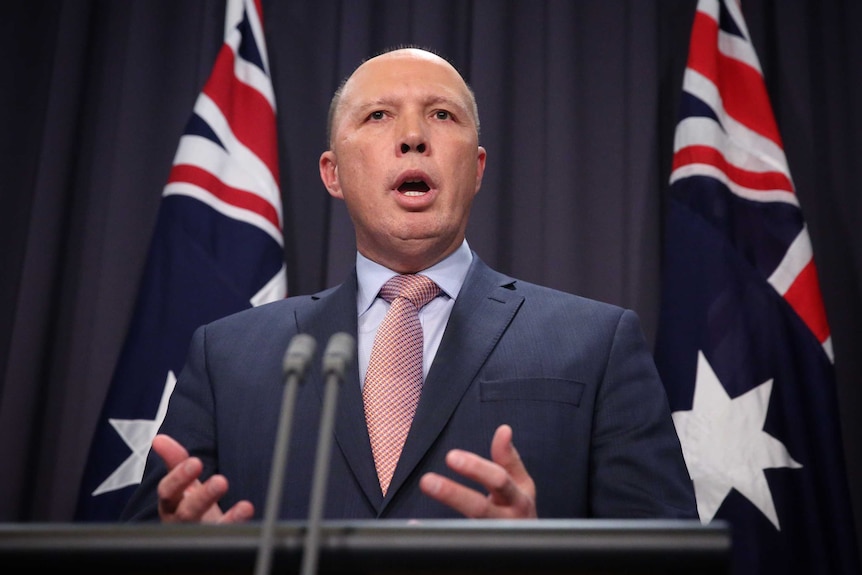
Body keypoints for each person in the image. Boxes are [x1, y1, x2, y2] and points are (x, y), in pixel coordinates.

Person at [121, 47, 697, 523]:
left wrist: (542, 558)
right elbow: (143, 547)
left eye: (443, 115)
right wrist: (184, 555)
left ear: (476, 167)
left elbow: (671, 560)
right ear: (333, 174)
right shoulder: (225, 357)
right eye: (378, 116)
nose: (414, 136)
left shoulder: (597, 343)